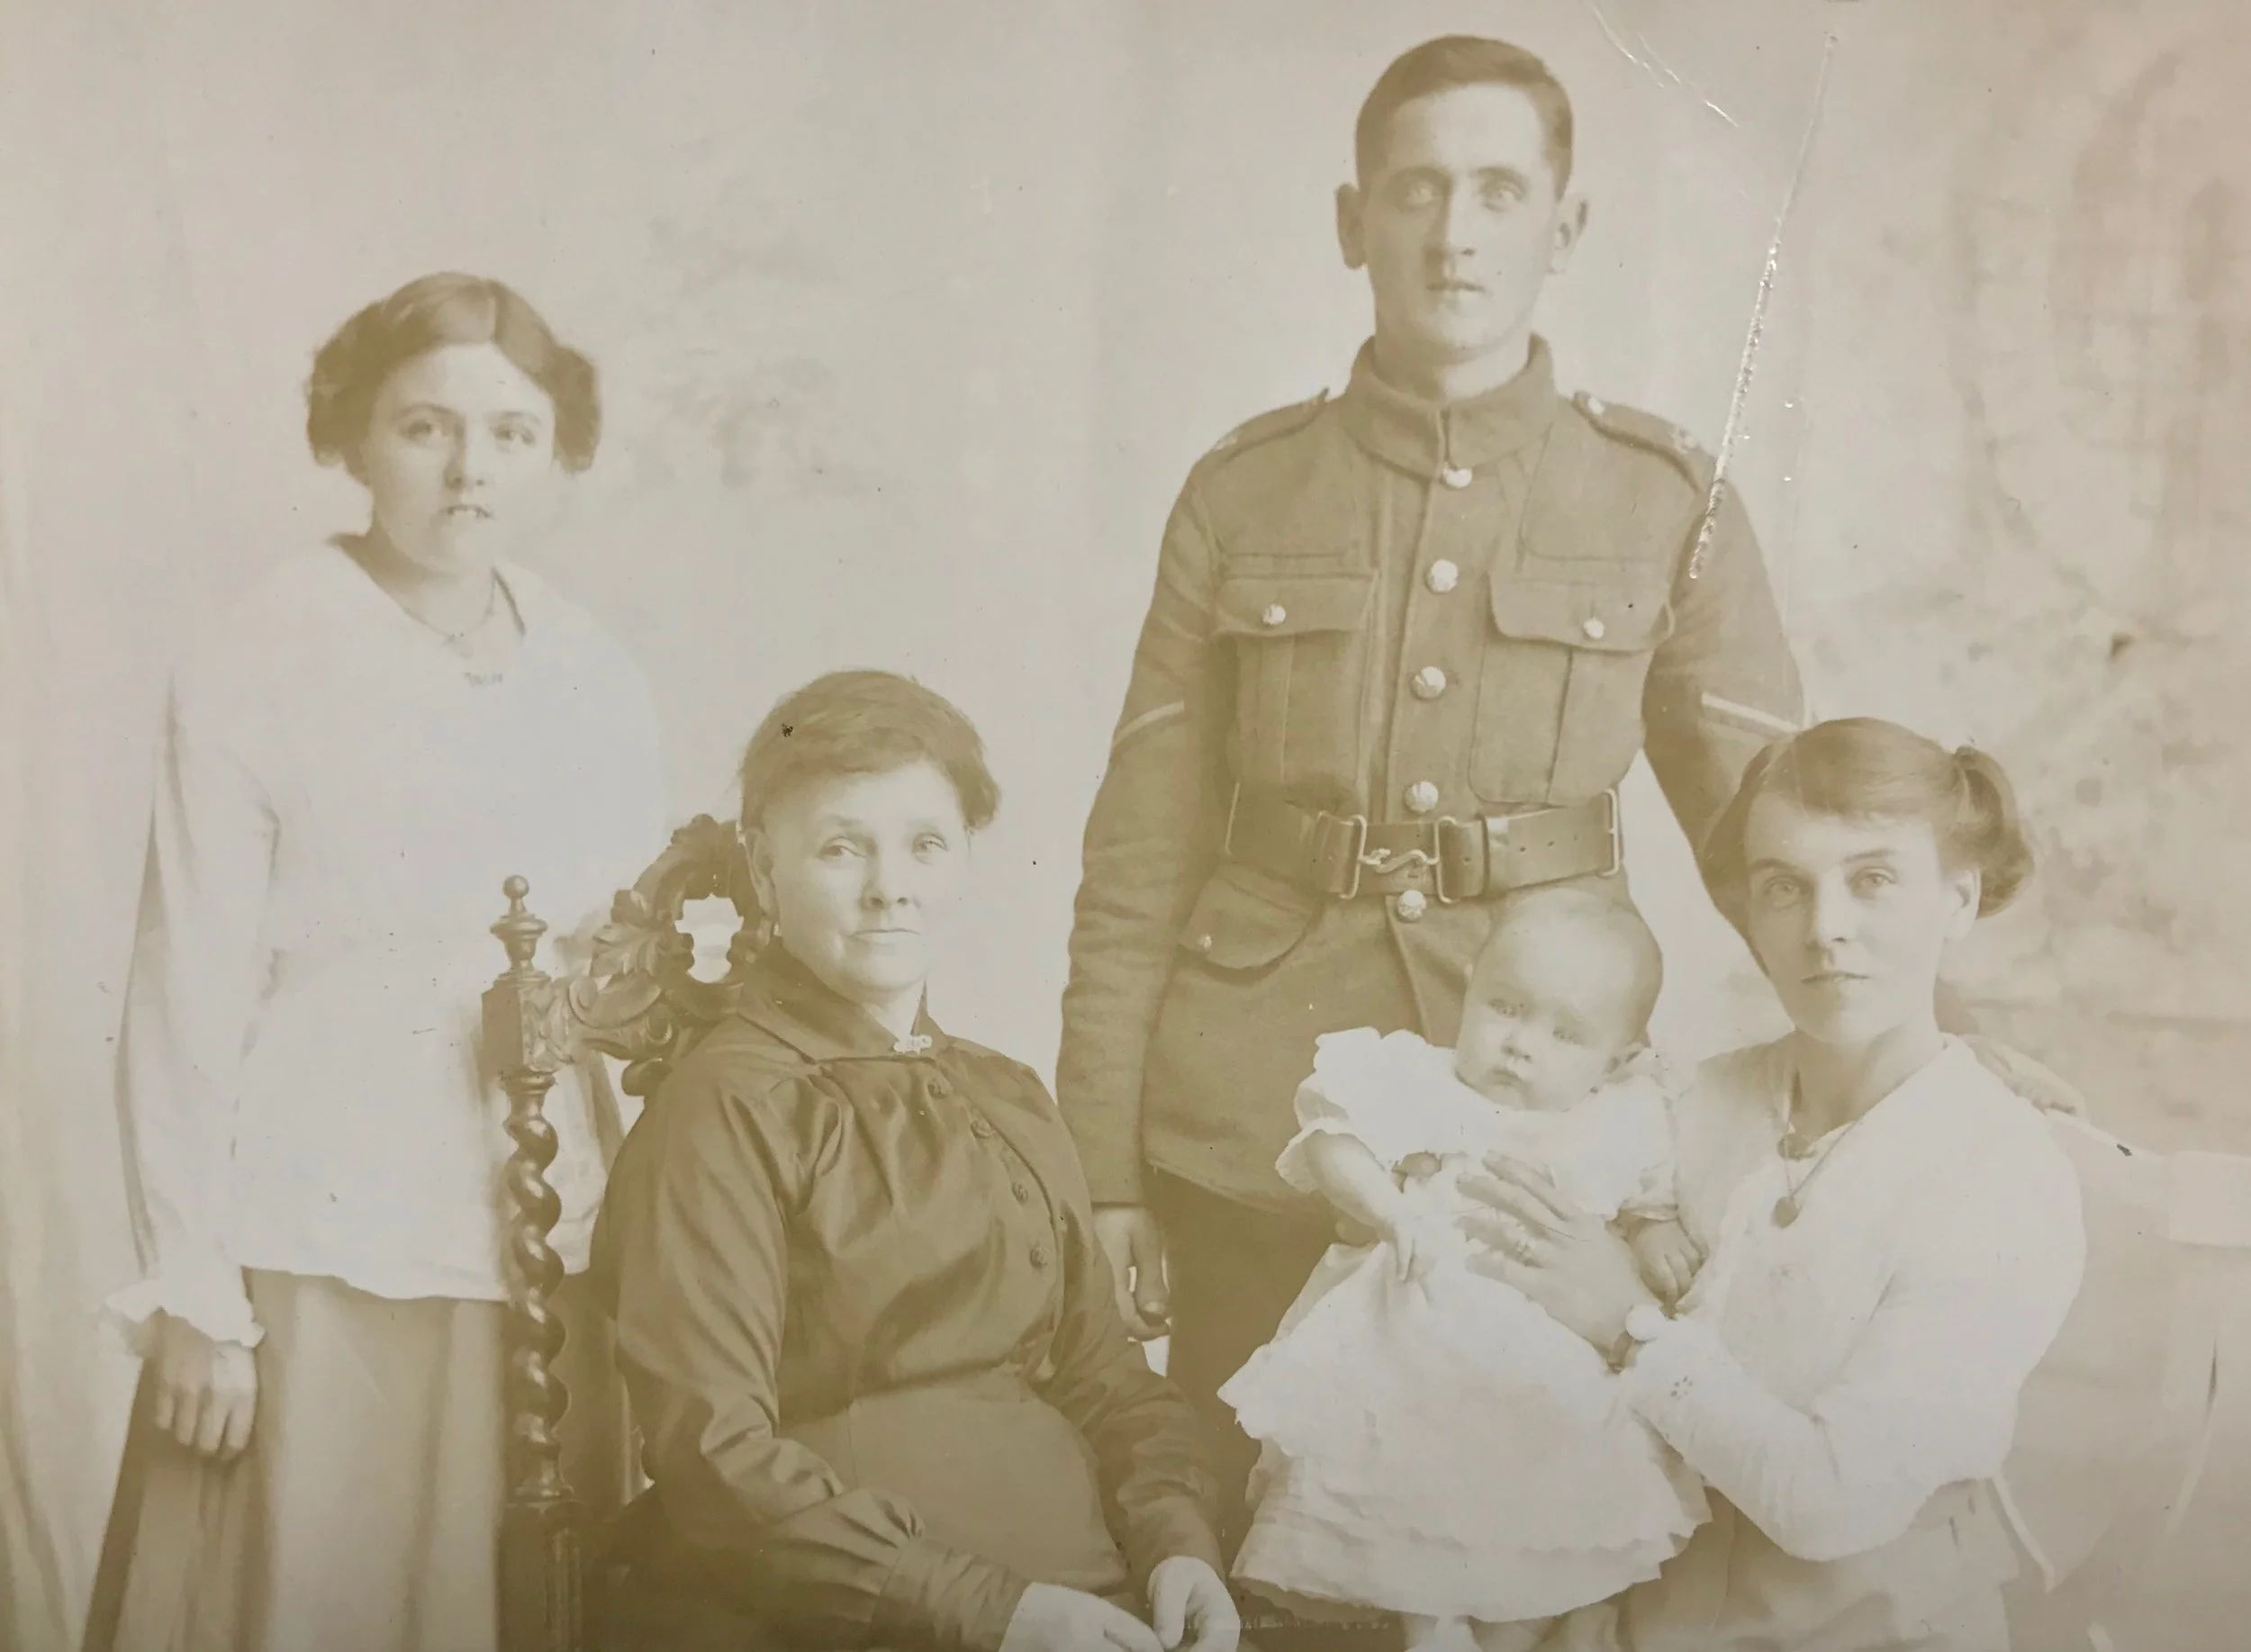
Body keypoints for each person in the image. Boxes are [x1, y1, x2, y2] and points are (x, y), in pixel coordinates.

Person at [1053, 33, 1806, 1534]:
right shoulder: (1244, 489)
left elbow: (1780, 834)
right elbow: (1137, 858)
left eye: (1498, 192)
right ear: (1354, 222)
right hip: (1252, 1126)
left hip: (1543, 1151)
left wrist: (1931, 1048)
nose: (1455, 233)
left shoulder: (1666, 502)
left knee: (1522, 1558)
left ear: (1564, 228)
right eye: (1417, 192)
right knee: (1253, 1535)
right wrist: (1104, 1173)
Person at [85, 273, 666, 1652]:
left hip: (541, 1232)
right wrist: (194, 1294)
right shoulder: (262, 649)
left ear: (559, 451)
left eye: (514, 433)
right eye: (426, 426)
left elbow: (627, 968)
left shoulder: (590, 666)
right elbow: (186, 991)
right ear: (351, 439)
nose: (472, 468)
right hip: (318, 1236)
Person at [590, 671, 1240, 1652]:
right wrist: (991, 1609)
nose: (890, 885)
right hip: (835, 1616)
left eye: (924, 844)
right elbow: (712, 1448)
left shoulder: (1006, 1091)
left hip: (1084, 1597)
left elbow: (1105, 1372)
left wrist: (1178, 1544)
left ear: (964, 859)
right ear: (765, 872)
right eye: (841, 847)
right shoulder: (723, 1107)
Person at [1460, 719, 2086, 1650]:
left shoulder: (2001, 1174)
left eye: (1872, 878)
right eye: (1781, 886)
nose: (1824, 925)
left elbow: (1832, 1504)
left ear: (1957, 899)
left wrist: (1627, 1322)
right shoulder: (1686, 1100)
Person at [1219, 888, 1708, 1652]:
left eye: (1564, 1033)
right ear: (1471, 985)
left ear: (1619, 1057)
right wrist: (1390, 1208)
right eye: (1506, 1006)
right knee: (1405, 1499)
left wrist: (1654, 1237)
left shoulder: (1620, 1116)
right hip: (1419, 1337)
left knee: (1538, 1519)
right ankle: (1432, 1626)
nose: (1522, 1045)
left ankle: (1507, 1629)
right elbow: (1332, 1138)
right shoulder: (1420, 1078)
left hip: (1542, 1362)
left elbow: (1643, 1203)